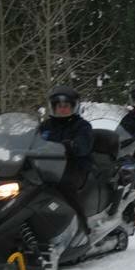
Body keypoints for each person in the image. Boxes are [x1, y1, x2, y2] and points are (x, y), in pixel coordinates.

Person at [39, 86, 93, 232]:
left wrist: (71, 145)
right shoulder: (45, 126)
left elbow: (83, 146)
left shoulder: (82, 126)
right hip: (47, 167)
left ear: (74, 107)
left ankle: (82, 227)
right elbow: (32, 139)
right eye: (59, 106)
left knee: (64, 186)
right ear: (53, 107)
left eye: (66, 106)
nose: (62, 109)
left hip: (75, 166)